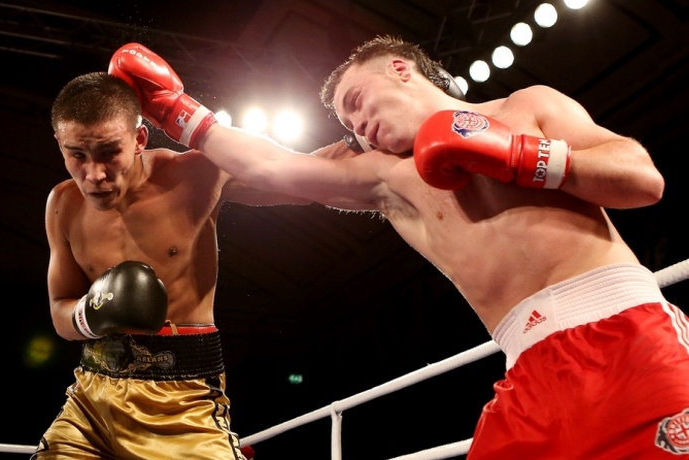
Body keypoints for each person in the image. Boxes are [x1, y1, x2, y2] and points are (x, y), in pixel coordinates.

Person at [109, 37, 689, 459]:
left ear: (400, 68)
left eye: (359, 100)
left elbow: (643, 179)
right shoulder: (385, 176)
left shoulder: (525, 107)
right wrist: (173, 112)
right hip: (529, 368)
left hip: (627, 332)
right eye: (348, 122)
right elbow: (271, 168)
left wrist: (523, 157)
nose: (358, 125)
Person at [37, 69, 341, 459]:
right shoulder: (62, 204)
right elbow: (59, 308)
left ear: (139, 139)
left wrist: (372, 140)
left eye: (110, 152)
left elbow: (308, 178)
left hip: (183, 401)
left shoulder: (194, 175)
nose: (94, 174)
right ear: (59, 143)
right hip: (89, 403)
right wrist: (90, 314)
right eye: (77, 155)